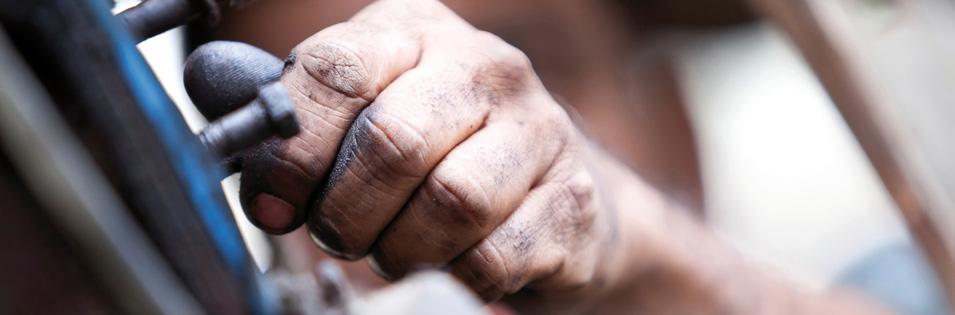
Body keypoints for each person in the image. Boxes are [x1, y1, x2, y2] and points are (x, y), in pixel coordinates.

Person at [233, 0, 892, 313]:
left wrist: (637, 249)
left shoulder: (898, 277)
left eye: (537, 66)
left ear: (674, 126)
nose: (417, 145)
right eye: (318, 111)